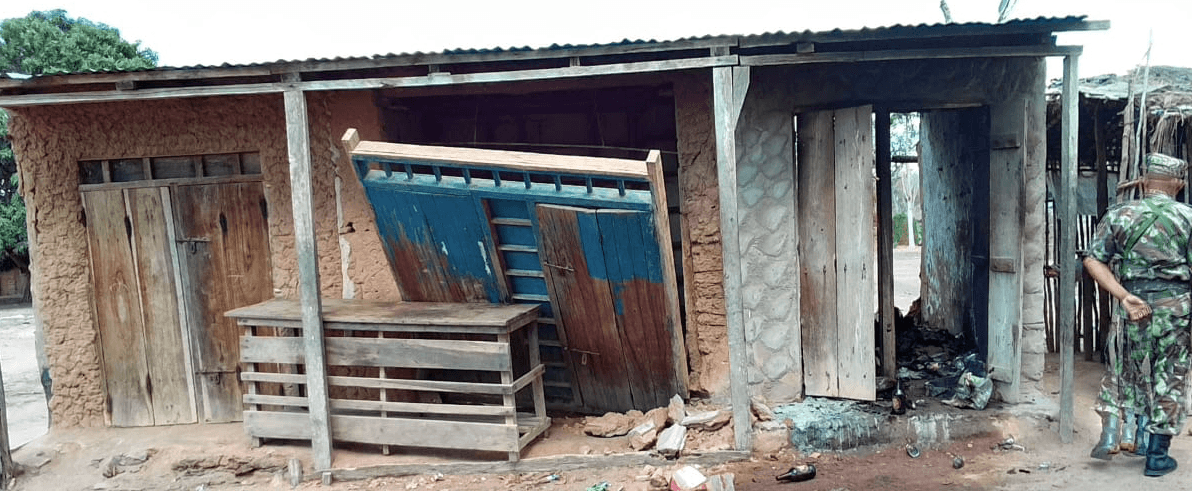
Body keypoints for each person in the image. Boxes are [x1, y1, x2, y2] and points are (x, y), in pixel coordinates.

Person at [1084, 152, 1192, 477]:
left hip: (1134, 307)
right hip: (1176, 308)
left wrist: (1125, 296)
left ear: (1145, 182)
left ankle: (1134, 436)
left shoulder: (1120, 214)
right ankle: (1156, 456)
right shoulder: (1188, 217)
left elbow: (1093, 260)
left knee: (1132, 370)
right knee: (1170, 375)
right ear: (1179, 184)